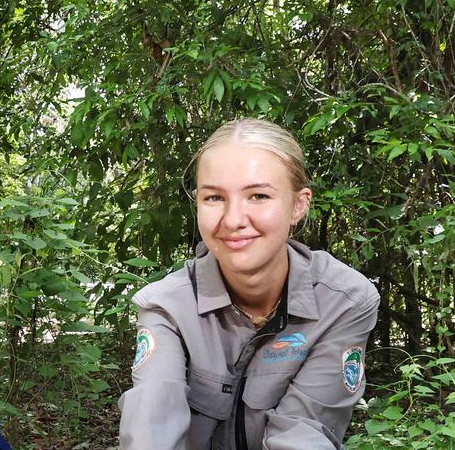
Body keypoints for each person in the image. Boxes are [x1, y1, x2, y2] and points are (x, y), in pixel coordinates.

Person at [119, 118, 379, 449]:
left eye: (257, 195)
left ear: (298, 205)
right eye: (214, 198)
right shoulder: (167, 306)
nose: (233, 220)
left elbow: (305, 432)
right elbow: (151, 425)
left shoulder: (344, 301)